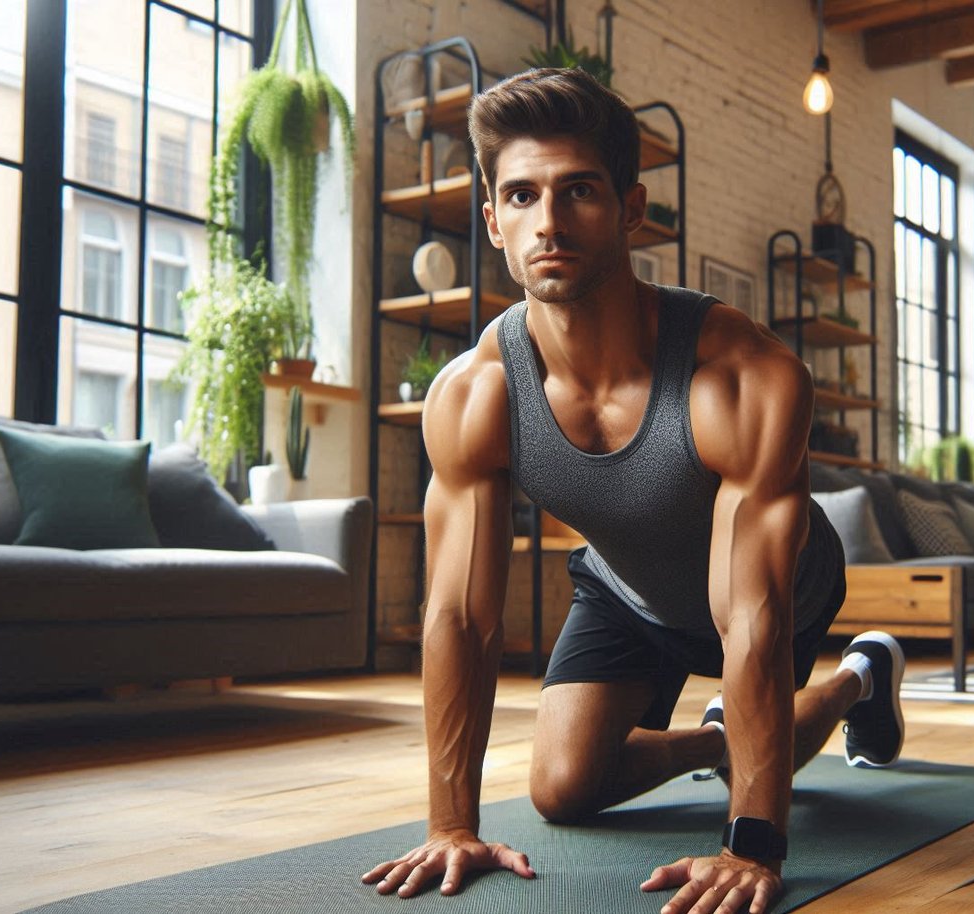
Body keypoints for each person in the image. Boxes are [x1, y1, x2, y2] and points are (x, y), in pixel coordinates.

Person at [360, 67, 906, 914]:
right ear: (493, 219)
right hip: (627, 586)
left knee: (769, 737)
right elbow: (459, 616)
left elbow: (750, 619)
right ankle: (723, 736)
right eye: (522, 195)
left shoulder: (742, 376)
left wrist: (750, 846)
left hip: (777, 588)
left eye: (578, 191)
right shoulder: (474, 395)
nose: (548, 222)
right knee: (561, 791)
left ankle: (855, 681)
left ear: (631, 208)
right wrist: (450, 825)